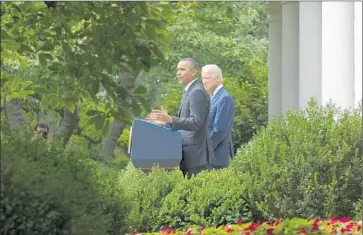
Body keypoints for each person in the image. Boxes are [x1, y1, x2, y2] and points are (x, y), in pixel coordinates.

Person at [146, 58, 215, 178]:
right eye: (177, 70)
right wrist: (163, 123)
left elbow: (196, 122)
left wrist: (170, 119)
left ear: (194, 72)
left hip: (197, 156)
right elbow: (184, 123)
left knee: (196, 194)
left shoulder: (196, 92)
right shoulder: (189, 91)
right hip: (190, 155)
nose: (178, 73)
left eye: (182, 69)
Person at [202, 64, 235, 169]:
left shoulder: (224, 98)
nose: (204, 81)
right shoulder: (212, 98)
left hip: (219, 159)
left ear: (218, 79)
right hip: (212, 159)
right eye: (202, 78)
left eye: (207, 78)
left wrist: (204, 151)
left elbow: (219, 131)